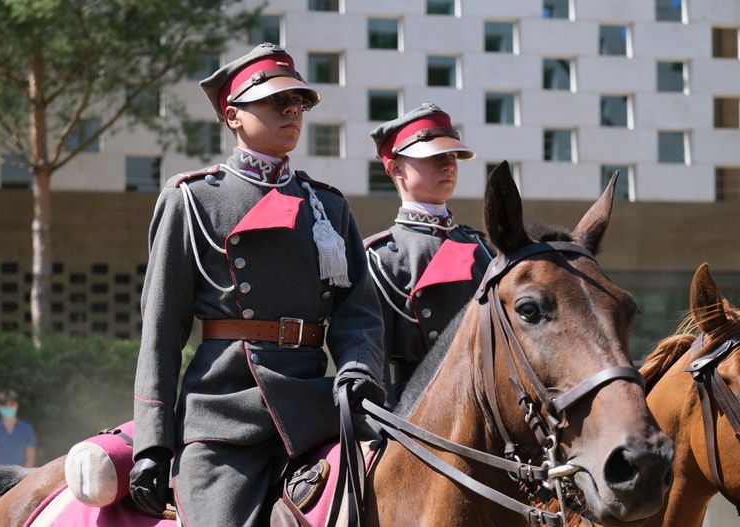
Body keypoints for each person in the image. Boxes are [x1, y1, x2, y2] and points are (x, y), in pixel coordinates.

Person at [128, 43, 385, 526]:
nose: (292, 110)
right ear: (232, 115)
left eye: (298, 101)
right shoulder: (193, 200)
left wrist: (357, 370)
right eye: (274, 101)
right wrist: (153, 442)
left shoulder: (328, 206)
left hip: (316, 409)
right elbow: (161, 332)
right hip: (224, 416)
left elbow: (359, 314)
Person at [366, 103, 494, 408]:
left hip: (489, 401)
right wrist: (381, 423)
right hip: (419, 407)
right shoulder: (381, 257)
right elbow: (373, 357)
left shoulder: (482, 247)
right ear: (395, 168)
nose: (448, 165)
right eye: (433, 156)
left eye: (451, 156)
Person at [0, 389, 36, 468]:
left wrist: (23, 475)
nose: (8, 408)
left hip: (22, 474)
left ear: (16, 405)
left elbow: (30, 460)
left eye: (11, 405)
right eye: (5, 406)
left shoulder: (27, 429)